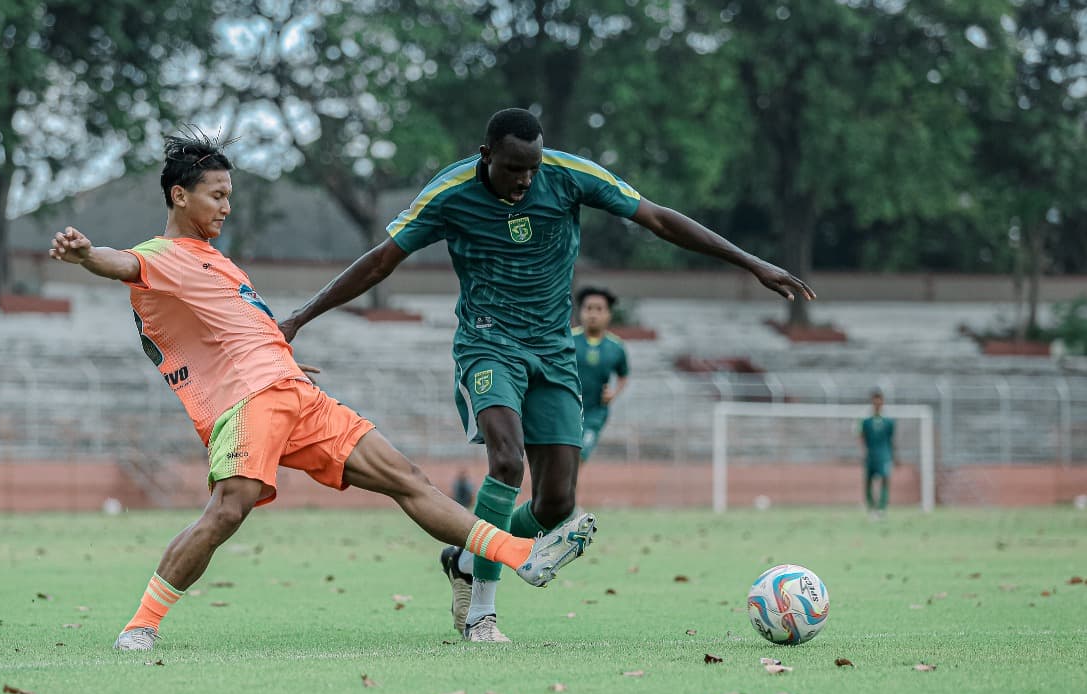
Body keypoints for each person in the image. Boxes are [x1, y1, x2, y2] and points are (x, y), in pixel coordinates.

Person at [47, 128, 596, 652]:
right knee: (229, 510)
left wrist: (281, 358)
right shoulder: (162, 256)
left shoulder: (216, 260)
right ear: (178, 195)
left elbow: (232, 327)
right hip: (247, 402)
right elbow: (123, 263)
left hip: (294, 394)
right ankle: (140, 626)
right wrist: (86, 253)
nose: (226, 207)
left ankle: (520, 556)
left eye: (229, 196)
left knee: (405, 477)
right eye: (216, 196)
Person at [278, 108, 814, 642]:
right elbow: (379, 261)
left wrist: (751, 262)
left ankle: (467, 557)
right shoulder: (450, 193)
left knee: (556, 504)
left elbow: (656, 217)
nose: (525, 179)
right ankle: (481, 613)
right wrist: (301, 316)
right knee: (507, 461)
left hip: (554, 353)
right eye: (514, 168)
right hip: (488, 345)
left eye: (532, 168)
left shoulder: (569, 175)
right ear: (487, 155)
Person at [572, 286, 629, 464]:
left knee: (578, 456)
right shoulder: (567, 340)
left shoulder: (616, 347)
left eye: (599, 309)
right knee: (563, 458)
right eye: (589, 308)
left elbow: (623, 375)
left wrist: (614, 392)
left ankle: (566, 492)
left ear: (608, 314)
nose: (593, 314)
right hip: (567, 409)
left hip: (594, 414)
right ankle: (563, 492)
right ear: (581, 312)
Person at [861, 390, 896, 518]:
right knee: (868, 481)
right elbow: (862, 437)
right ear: (872, 402)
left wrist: (894, 456)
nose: (877, 404)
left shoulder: (889, 422)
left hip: (884, 455)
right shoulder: (866, 421)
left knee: (885, 480)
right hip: (871, 455)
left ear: (882, 402)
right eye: (875, 401)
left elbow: (892, 439)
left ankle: (882, 507)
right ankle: (871, 507)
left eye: (879, 401)